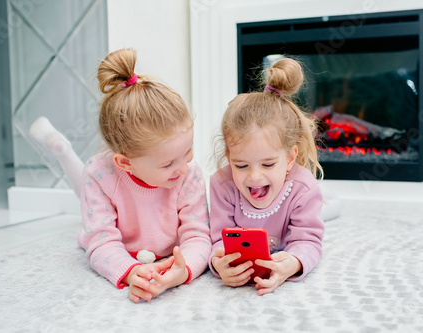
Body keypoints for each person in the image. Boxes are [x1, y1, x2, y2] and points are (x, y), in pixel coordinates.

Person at [29, 48, 211, 303]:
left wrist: (183, 271)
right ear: (125, 163)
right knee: (83, 188)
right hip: (104, 184)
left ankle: (62, 148)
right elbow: (100, 242)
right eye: (169, 163)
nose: (183, 167)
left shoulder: (188, 174)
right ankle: (62, 150)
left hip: (135, 218)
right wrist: (130, 271)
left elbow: (199, 236)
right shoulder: (101, 173)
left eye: (188, 150)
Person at [209, 58, 339, 295]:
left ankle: (329, 204)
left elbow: (308, 241)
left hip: (295, 219)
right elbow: (217, 239)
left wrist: (293, 262)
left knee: (328, 208)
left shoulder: (303, 187)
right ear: (229, 157)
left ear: (290, 158)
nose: (254, 176)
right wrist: (219, 264)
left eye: (268, 164)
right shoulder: (222, 184)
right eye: (240, 165)